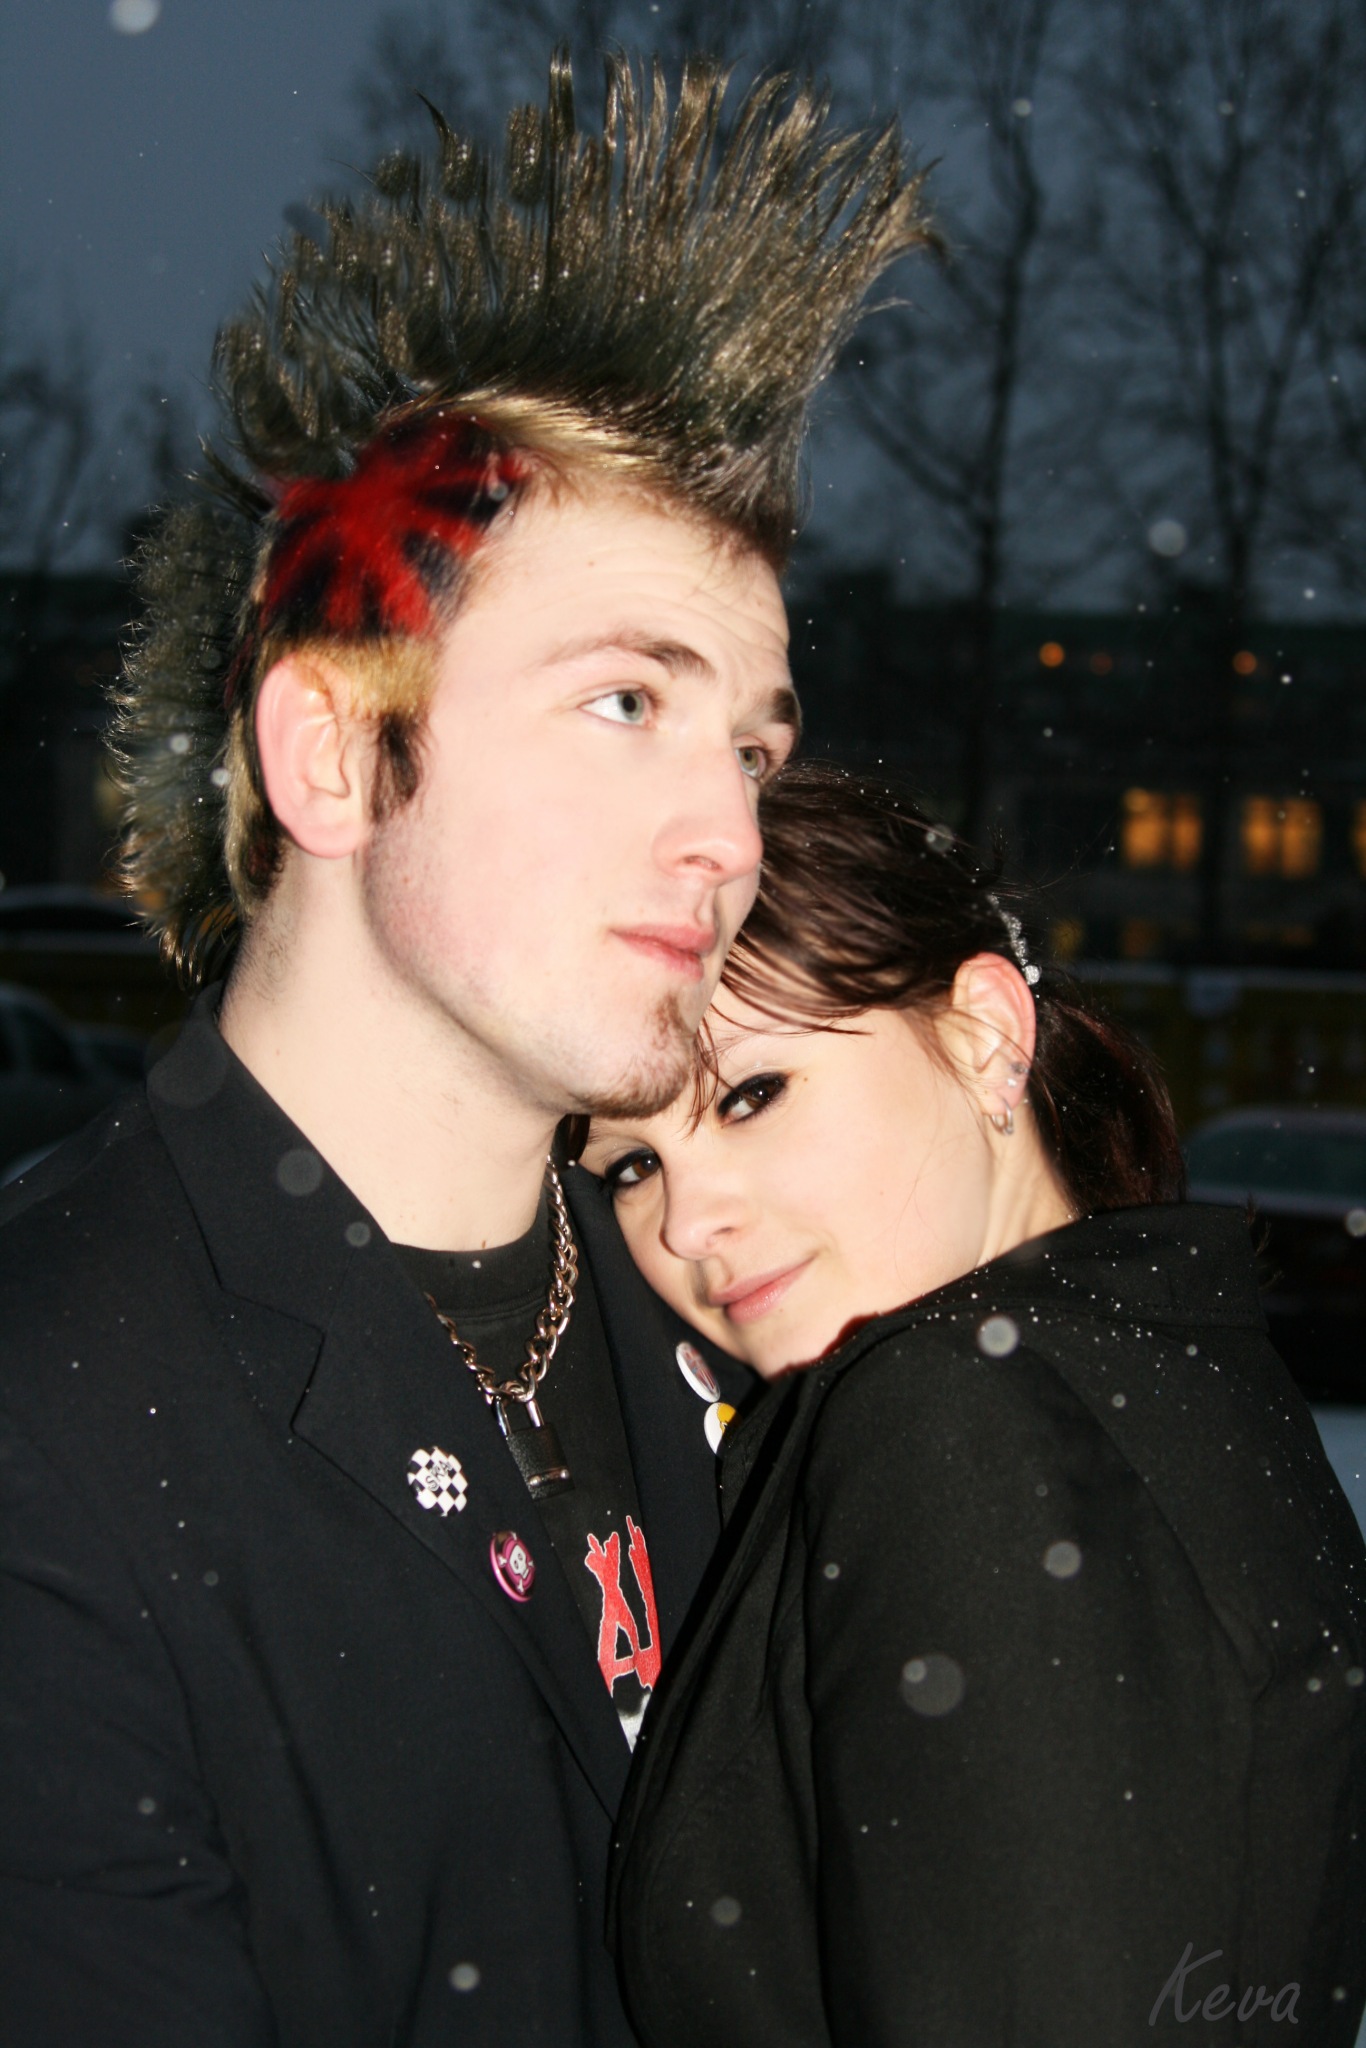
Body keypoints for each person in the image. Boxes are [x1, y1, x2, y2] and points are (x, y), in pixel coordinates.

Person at [0, 63, 936, 2048]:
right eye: (626, 703)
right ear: (333, 753)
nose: (731, 834)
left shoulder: (721, 1326)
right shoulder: (51, 1411)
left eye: (751, 744)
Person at [593, 761, 1366, 2047]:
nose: (685, 1221)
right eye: (628, 1162)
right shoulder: (1152, 1366)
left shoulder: (960, 1418)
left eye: (750, 1093)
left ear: (984, 1036)